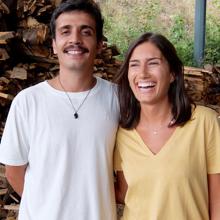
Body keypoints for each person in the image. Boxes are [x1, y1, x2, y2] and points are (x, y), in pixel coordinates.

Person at [0, 1, 119, 219]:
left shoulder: (118, 99)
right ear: (54, 44)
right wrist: (47, 206)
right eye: (66, 32)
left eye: (86, 32)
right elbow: (14, 171)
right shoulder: (27, 102)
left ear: (100, 44)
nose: (75, 39)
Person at [114, 32, 220, 220]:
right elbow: (125, 193)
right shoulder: (121, 132)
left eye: (153, 63)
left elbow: (218, 203)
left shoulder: (204, 123)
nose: (143, 73)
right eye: (134, 65)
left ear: (172, 73)